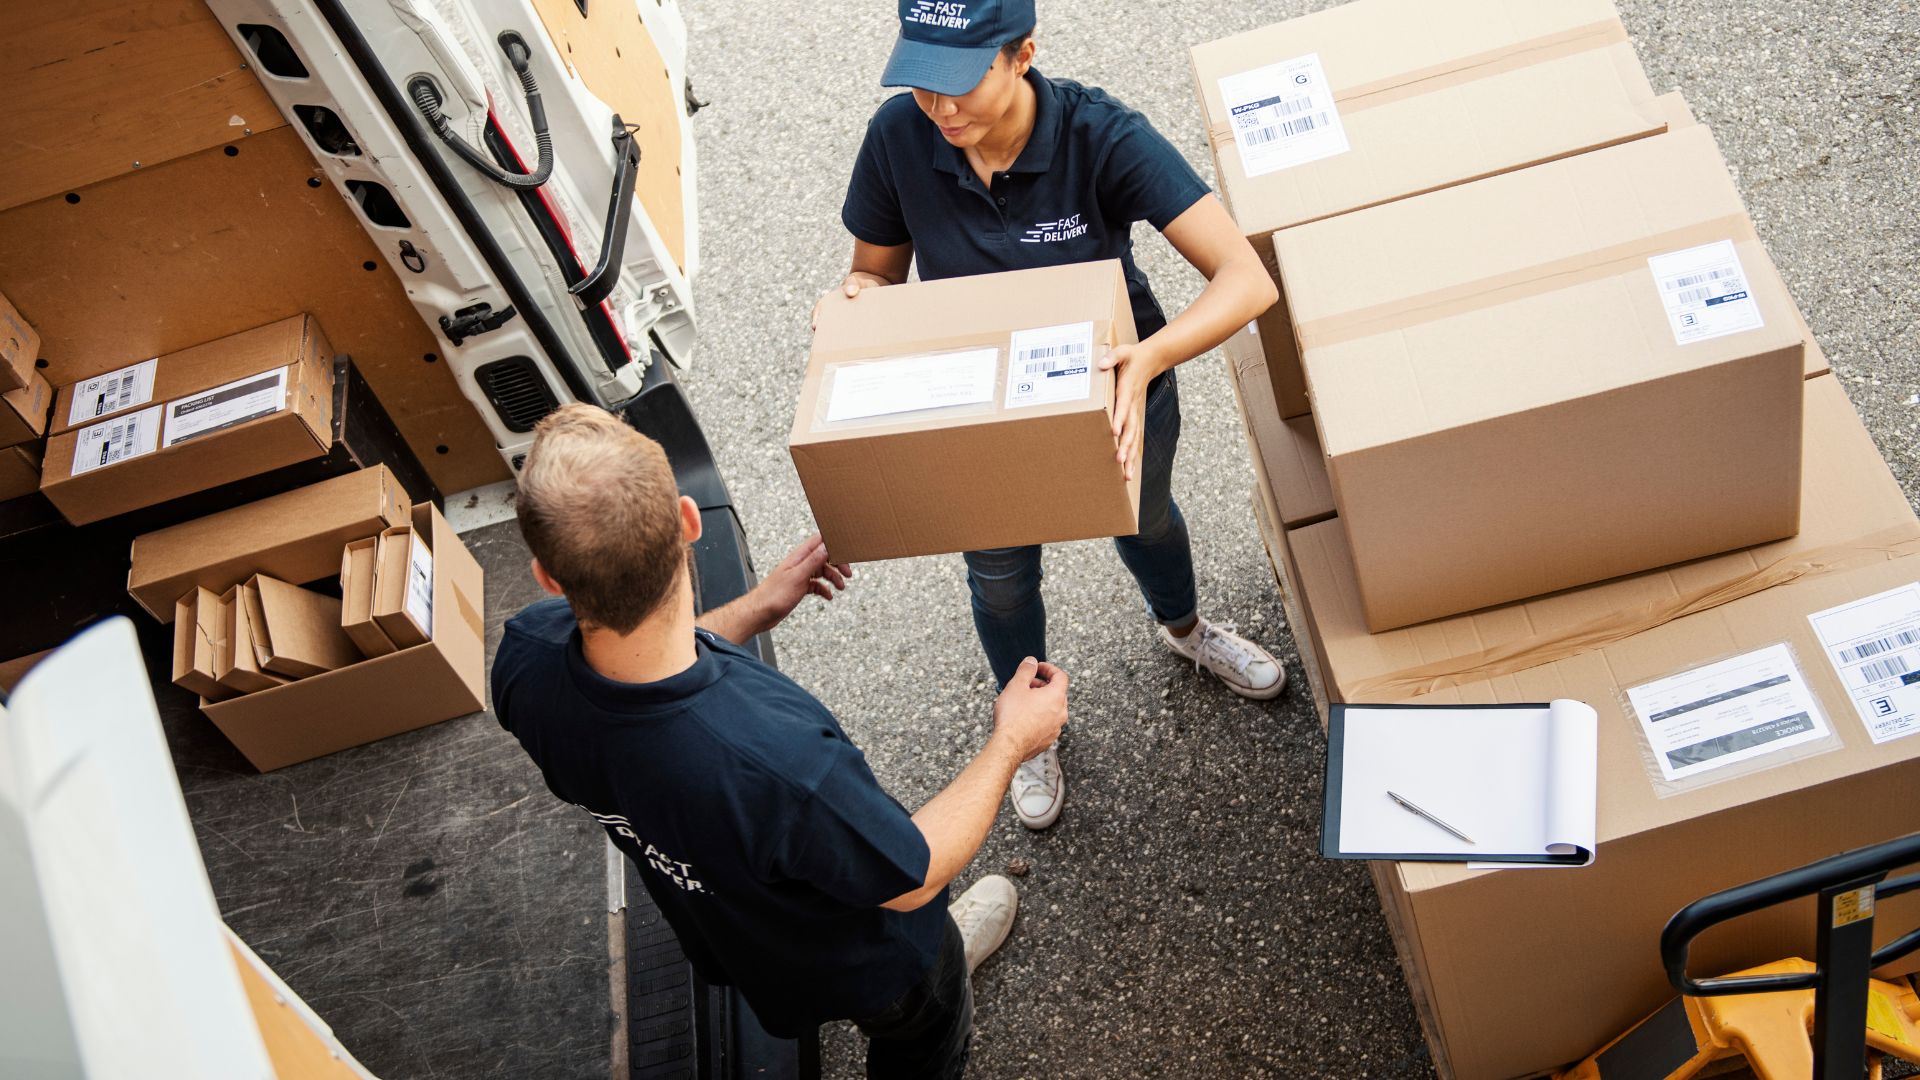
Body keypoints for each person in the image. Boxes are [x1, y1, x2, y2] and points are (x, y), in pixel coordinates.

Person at [491, 405, 1069, 1079]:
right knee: (925, 1024)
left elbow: (636, 666)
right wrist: (1011, 742)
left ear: (551, 579)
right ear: (688, 520)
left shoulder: (525, 662)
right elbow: (911, 875)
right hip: (879, 961)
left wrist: (761, 605)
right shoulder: (778, 760)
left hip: (742, 942)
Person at [822, 0, 1287, 832]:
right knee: (1000, 583)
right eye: (923, 84)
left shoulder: (1097, 134)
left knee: (1147, 526)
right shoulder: (899, 137)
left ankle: (1186, 631)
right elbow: (877, 277)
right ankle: (1027, 728)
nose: (941, 109)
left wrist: (1148, 360)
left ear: (1023, 53)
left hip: (1117, 386)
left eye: (962, 84)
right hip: (981, 413)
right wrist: (862, 302)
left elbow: (1246, 280)